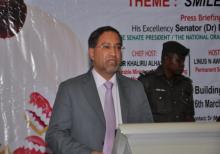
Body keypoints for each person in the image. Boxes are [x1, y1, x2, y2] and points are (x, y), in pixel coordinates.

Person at [46, 26, 153, 154]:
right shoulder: (71, 89)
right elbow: (55, 135)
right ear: (92, 53)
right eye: (106, 47)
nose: (114, 53)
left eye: (118, 47)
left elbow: (147, 134)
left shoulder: (135, 89)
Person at [138, 41, 195, 122]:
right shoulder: (147, 82)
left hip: (182, 133)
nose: (182, 64)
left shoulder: (185, 84)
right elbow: (139, 117)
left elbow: (190, 117)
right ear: (166, 59)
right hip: (156, 134)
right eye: (178, 60)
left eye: (183, 61)